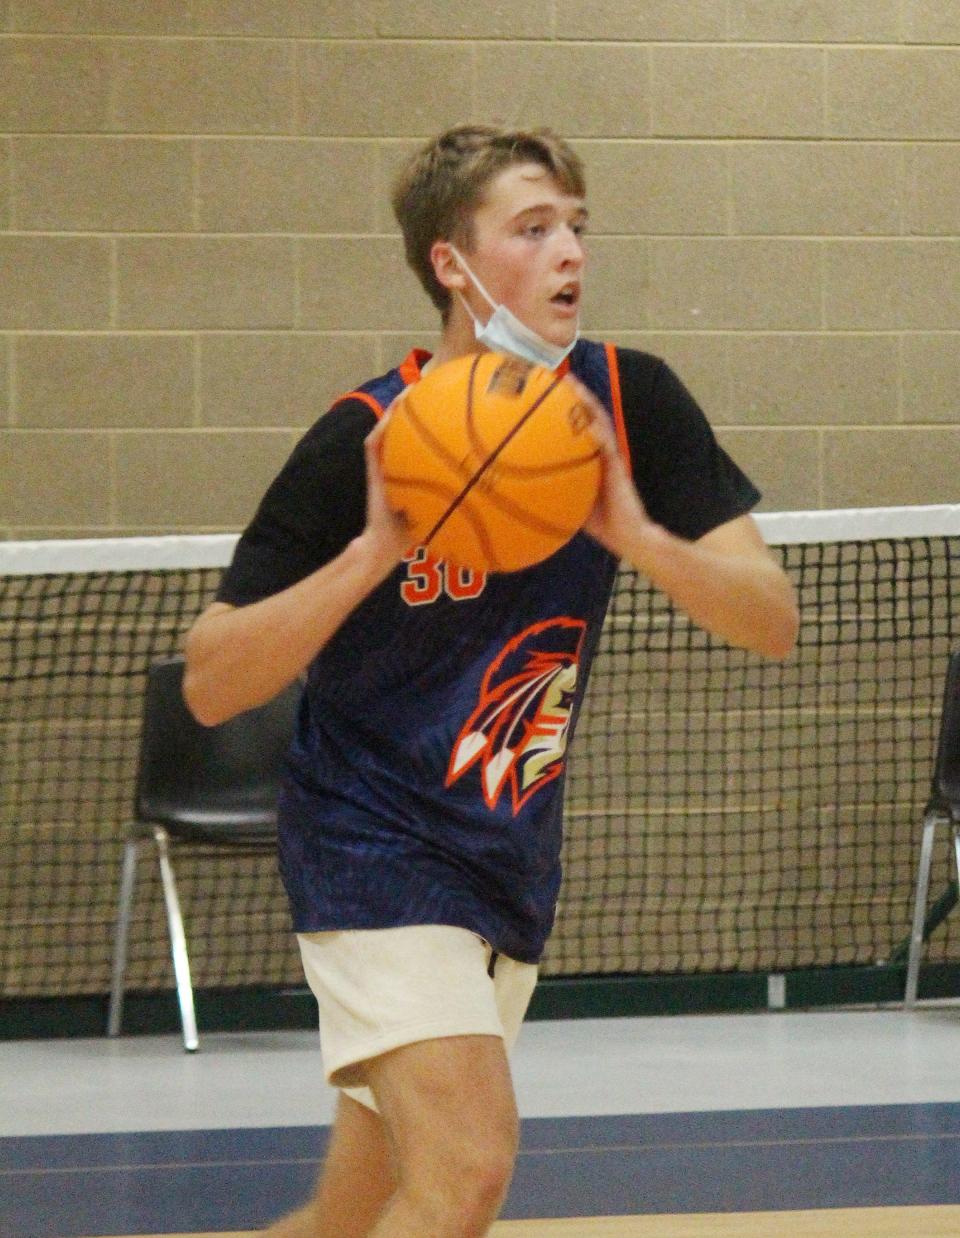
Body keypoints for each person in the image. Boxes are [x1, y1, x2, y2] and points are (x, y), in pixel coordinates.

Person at [183, 123, 800, 1238]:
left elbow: (772, 619)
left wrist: (639, 534)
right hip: (369, 839)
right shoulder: (365, 435)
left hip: (508, 849)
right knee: (469, 1170)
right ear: (449, 264)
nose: (571, 251)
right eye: (532, 228)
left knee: (352, 1209)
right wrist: (374, 550)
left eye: (577, 225)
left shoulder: (630, 399)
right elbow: (212, 681)